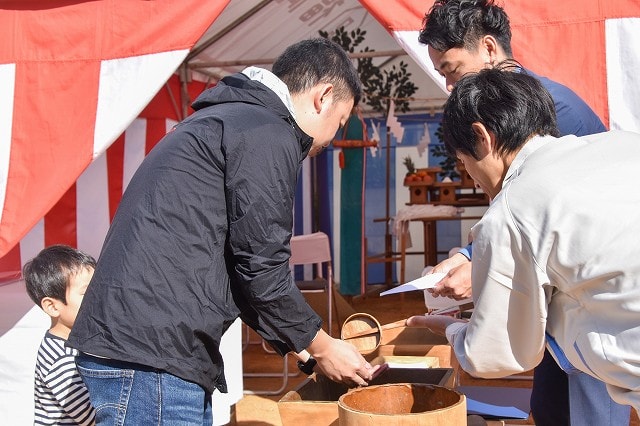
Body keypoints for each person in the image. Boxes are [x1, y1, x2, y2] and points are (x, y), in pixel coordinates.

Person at [68, 38, 379, 424]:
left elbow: (237, 262)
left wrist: (297, 342)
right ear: (324, 96)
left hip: (146, 349)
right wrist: (324, 345)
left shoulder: (232, 119)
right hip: (153, 357)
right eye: (339, 122)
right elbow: (263, 271)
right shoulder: (268, 132)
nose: (332, 139)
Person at [415, 1, 630, 424]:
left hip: (597, 318)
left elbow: (493, 350)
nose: (450, 85)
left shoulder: (552, 115)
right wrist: (469, 255)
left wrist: (456, 327)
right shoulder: (617, 145)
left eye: (452, 70)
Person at [23, 245, 96, 425]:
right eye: (87, 292)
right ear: (53, 306)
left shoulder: (75, 344)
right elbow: (92, 418)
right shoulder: (60, 359)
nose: (97, 298)